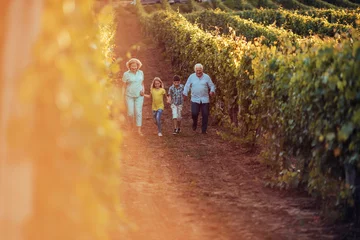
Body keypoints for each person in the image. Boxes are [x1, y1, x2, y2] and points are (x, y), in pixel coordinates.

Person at [183, 63, 216, 134]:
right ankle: (194, 123)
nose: (198, 72)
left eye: (200, 70)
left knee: (205, 114)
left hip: (205, 99)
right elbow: (187, 86)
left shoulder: (207, 77)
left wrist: (212, 91)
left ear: (202, 70)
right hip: (195, 99)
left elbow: (212, 85)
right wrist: (185, 93)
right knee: (194, 113)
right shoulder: (191, 77)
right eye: (197, 70)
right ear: (195, 70)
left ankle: (204, 130)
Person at [122, 58, 145, 136]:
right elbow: (124, 86)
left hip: (139, 96)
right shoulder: (126, 74)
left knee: (138, 112)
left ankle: (139, 130)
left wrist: (143, 90)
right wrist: (122, 96)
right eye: (132, 66)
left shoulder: (141, 73)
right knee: (130, 113)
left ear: (138, 66)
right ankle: (131, 126)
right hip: (129, 96)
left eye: (135, 66)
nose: (134, 68)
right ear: (129, 66)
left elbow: (142, 83)